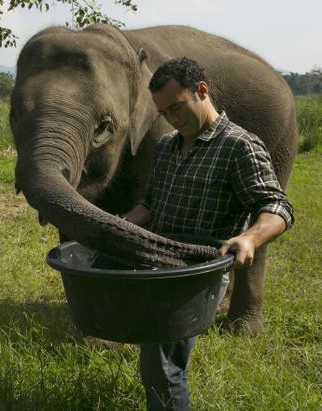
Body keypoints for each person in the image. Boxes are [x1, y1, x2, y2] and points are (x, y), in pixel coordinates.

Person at [121, 58, 294, 410]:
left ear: (202, 91)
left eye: (177, 107)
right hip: (160, 266)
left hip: (198, 275)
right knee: (158, 358)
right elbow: (151, 203)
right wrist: (121, 225)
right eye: (164, 112)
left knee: (162, 362)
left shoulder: (238, 146)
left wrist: (250, 238)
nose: (172, 118)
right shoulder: (168, 147)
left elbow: (278, 207)